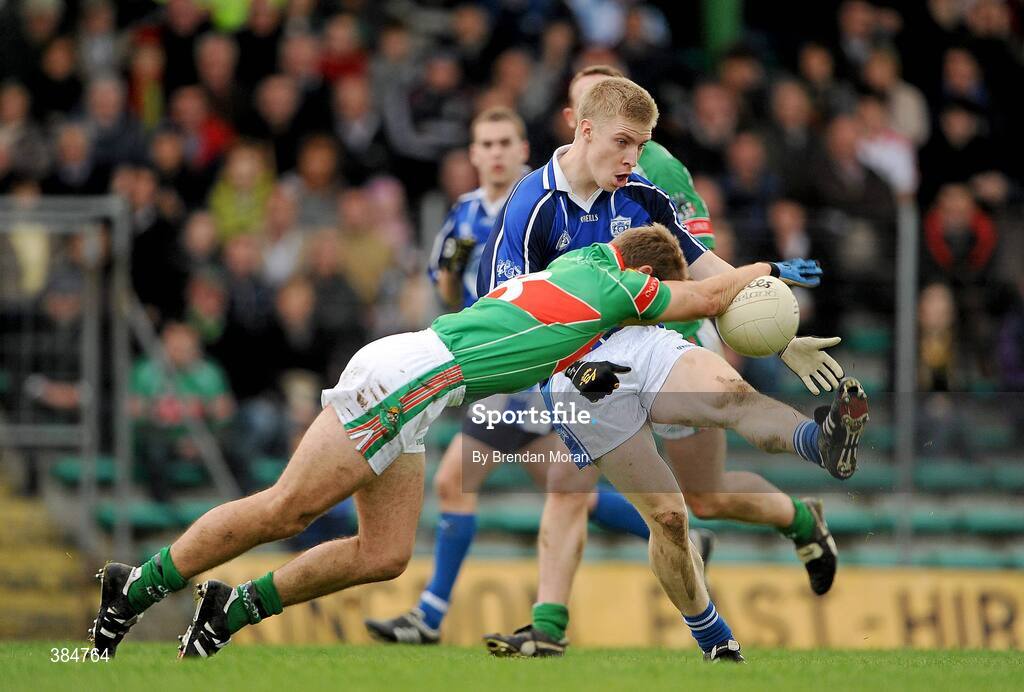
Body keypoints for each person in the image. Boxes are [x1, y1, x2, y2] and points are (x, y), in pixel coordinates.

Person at [89, 225, 862, 662]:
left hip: (422, 384)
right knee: (286, 509)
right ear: (642, 284)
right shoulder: (621, 287)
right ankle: (138, 585)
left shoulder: (578, 266)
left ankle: (230, 607)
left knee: (383, 552)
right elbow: (711, 294)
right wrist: (775, 272)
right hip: (409, 381)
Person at [481, 72, 845, 658]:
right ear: (583, 124)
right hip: (575, 371)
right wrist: (553, 378)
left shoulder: (652, 187)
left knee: (721, 433)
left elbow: (706, 273)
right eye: (623, 143)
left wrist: (781, 334)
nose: (634, 157)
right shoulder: (533, 205)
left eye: (641, 144)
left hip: (657, 336)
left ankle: (816, 443)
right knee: (660, 513)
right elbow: (504, 313)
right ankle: (562, 626)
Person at [364, 107, 662, 645]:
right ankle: (669, 528)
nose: (497, 152)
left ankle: (430, 616)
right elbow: (452, 299)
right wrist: (452, 273)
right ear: (474, 154)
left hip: (540, 363)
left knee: (462, 479)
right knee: (562, 487)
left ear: (524, 149)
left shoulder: (544, 202)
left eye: (506, 142)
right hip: (500, 365)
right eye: (487, 143)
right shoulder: (463, 215)